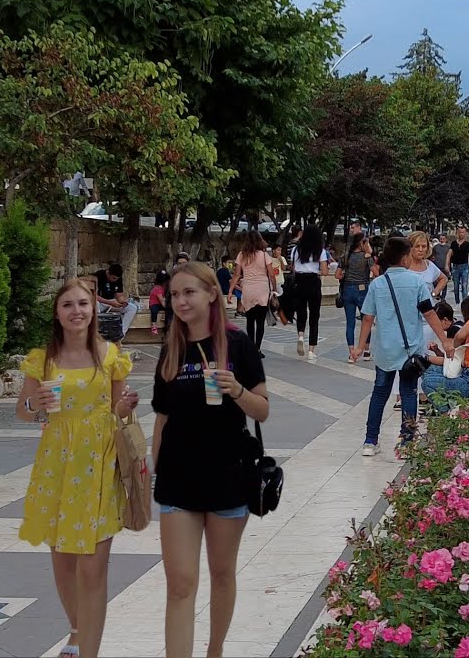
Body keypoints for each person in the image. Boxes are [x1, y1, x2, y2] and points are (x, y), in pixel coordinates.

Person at [15, 278, 139, 658]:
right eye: (68, 304)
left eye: (83, 303)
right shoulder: (43, 359)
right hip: (57, 463)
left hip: (100, 461)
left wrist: (125, 409)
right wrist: (35, 403)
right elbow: (22, 412)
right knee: (62, 559)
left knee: (93, 567)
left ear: (93, 309)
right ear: (57, 312)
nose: (77, 311)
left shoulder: (110, 355)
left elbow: (119, 413)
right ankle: (76, 628)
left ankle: (89, 649)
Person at [151, 261, 269, 658]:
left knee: (221, 575)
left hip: (228, 475)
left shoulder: (238, 345)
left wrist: (237, 389)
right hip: (178, 478)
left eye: (189, 292)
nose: (181, 301)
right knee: (180, 584)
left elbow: (262, 411)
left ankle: (215, 651)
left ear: (211, 294)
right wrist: (155, 467)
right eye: (175, 295)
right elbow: (162, 417)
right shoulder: (171, 349)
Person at [356, 237, 452, 459]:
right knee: (408, 391)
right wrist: (444, 339)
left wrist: (360, 346)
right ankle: (407, 442)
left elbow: (368, 318)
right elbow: (429, 313)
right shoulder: (416, 283)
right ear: (404, 257)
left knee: (379, 393)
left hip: (385, 350)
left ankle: (370, 441)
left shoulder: (377, 284)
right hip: (411, 350)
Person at [227, 231, 275, 357]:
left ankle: (250, 348)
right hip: (262, 290)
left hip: (248, 290)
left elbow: (237, 275)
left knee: (250, 321)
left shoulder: (242, 255)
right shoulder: (264, 256)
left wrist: (231, 291)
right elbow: (271, 274)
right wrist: (274, 288)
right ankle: (257, 349)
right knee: (260, 323)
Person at [338, 235, 378, 364]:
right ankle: (366, 351)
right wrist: (369, 254)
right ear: (362, 243)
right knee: (366, 320)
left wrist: (346, 274)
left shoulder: (345, 256)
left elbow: (337, 275)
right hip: (362, 290)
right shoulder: (366, 258)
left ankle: (351, 353)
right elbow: (376, 273)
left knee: (350, 323)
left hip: (347, 290)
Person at [292, 225, 329, 362]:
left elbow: (294, 269)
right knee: (314, 316)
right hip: (313, 281)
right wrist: (317, 271)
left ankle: (300, 335)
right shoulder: (321, 251)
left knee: (301, 311)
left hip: (300, 281)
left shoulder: (297, 250)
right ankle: (311, 351)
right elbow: (325, 271)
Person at [93, 263, 139, 342]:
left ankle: (120, 335)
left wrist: (123, 301)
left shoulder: (118, 279)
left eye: (116, 278)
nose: (115, 280)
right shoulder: (98, 276)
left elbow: (119, 295)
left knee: (132, 308)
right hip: (100, 302)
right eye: (113, 278)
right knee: (95, 304)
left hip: (112, 302)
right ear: (108, 273)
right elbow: (93, 295)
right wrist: (109, 302)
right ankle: (98, 334)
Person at [445, 225, 469, 304]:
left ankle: (464, 302)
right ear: (458, 233)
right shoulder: (454, 244)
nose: (461, 234)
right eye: (460, 232)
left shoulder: (468, 245)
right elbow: (449, 254)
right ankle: (457, 302)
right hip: (455, 267)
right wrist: (446, 265)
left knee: (464, 285)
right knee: (456, 286)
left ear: (466, 233)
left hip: (465, 266)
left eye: (463, 232)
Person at [149, 269, 170, 335]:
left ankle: (165, 316)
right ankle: (154, 325)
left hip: (159, 304)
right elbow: (161, 300)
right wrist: (166, 307)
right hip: (154, 304)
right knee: (154, 310)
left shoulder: (163, 288)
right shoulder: (157, 288)